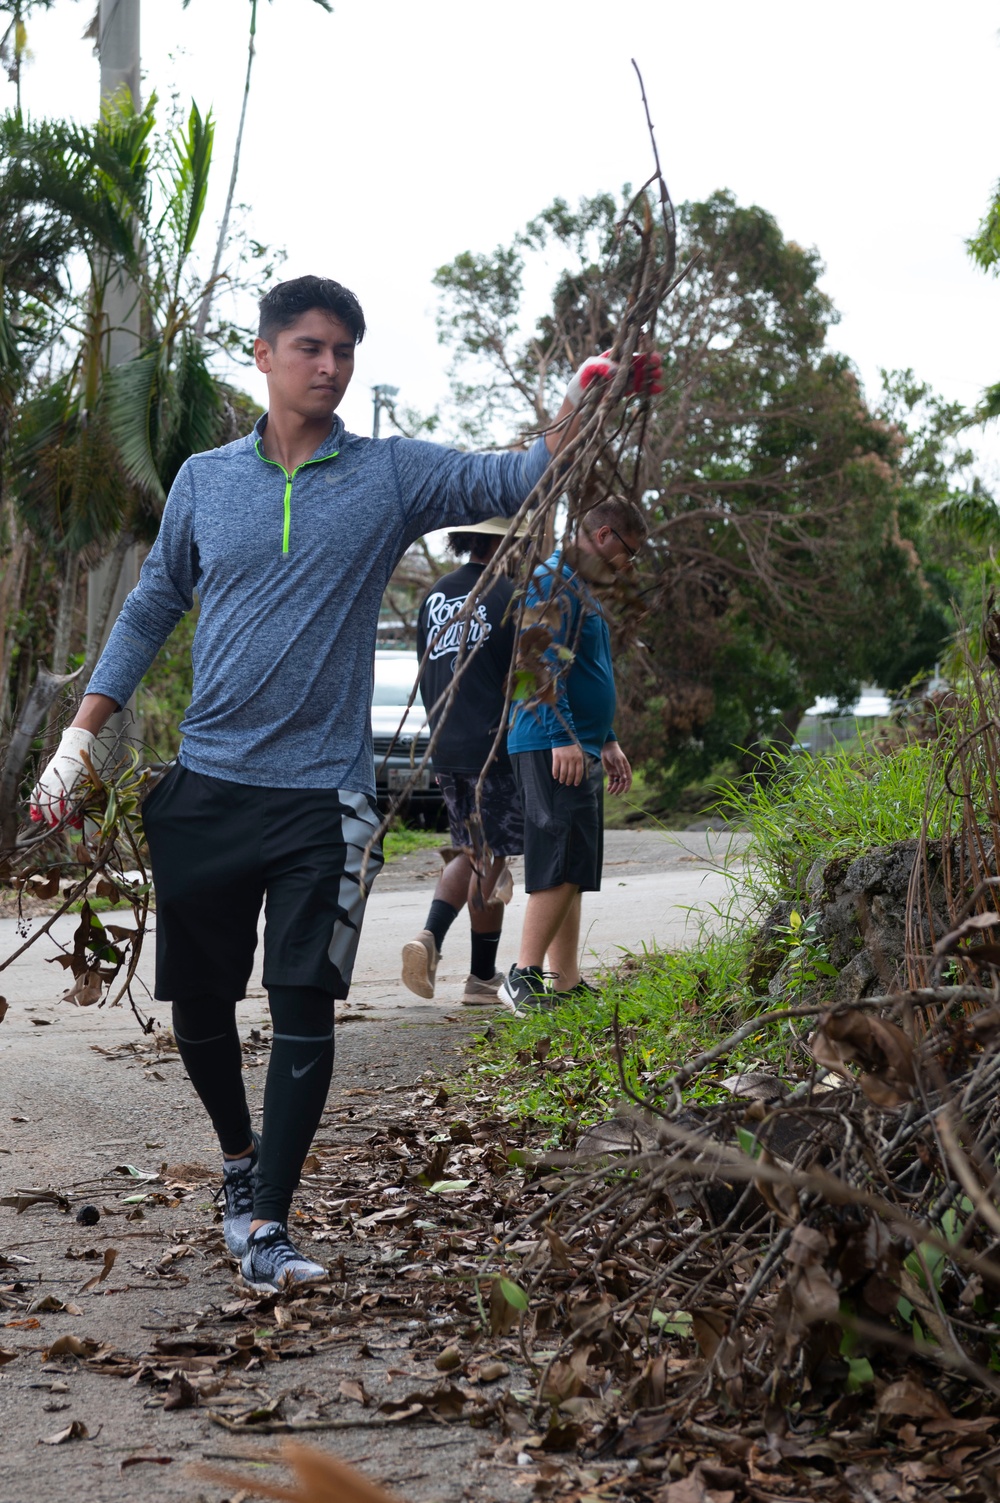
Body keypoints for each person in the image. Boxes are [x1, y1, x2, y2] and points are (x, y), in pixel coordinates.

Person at [29, 276, 646, 1293]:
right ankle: (236, 1162)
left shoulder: (390, 475)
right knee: (200, 1007)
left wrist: (587, 399)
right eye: (310, 347)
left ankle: (269, 1220)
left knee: (305, 998)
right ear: (263, 354)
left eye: (344, 352)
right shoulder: (203, 481)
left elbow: (521, 475)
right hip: (211, 783)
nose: (329, 366)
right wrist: (79, 740)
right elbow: (150, 607)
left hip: (327, 799)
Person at [499, 496, 649, 1016]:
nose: (628, 564)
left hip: (579, 742)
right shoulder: (553, 579)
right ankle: (523, 974)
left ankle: (565, 982)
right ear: (604, 535)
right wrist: (562, 733)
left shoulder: (586, 589)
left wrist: (605, 737)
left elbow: (585, 669)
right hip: (550, 741)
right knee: (559, 859)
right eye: (628, 551)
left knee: (577, 865)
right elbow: (535, 660)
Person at [401, 518, 525, 1006]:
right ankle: (448, 951)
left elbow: (425, 669)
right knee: (488, 857)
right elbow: (525, 677)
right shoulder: (510, 597)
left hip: (447, 745)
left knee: (473, 851)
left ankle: (470, 968)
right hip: (492, 746)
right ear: (501, 543)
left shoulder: (436, 595)